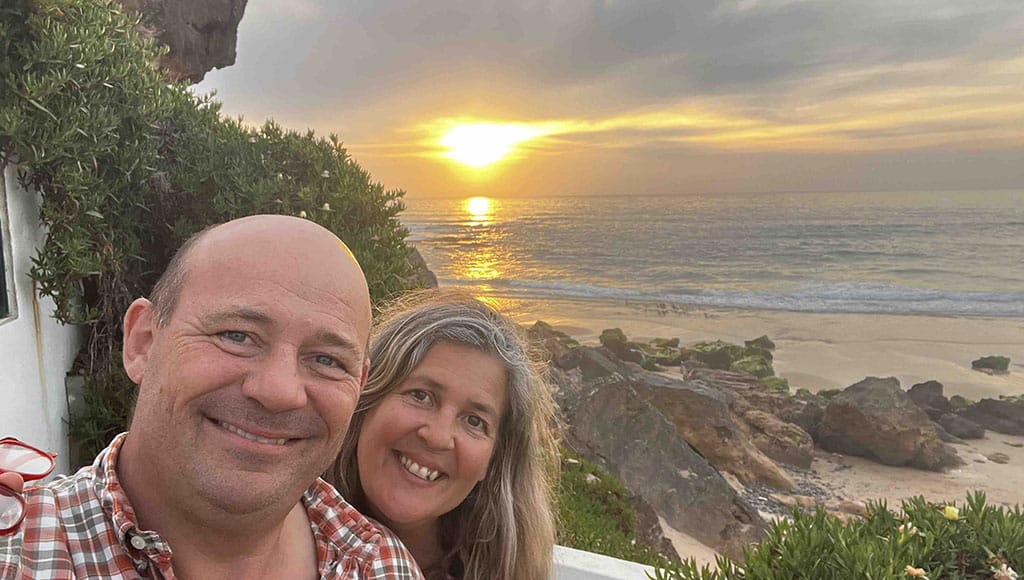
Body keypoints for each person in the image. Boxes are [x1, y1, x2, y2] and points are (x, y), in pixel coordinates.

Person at [0, 215, 423, 579]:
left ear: (359, 383)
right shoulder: (18, 554)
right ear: (142, 343)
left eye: (328, 360)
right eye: (236, 336)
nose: (279, 392)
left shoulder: (379, 565)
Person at [327, 291, 560, 579]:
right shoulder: (280, 534)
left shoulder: (501, 571)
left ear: (493, 459)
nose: (438, 437)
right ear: (366, 400)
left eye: (475, 421)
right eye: (421, 396)